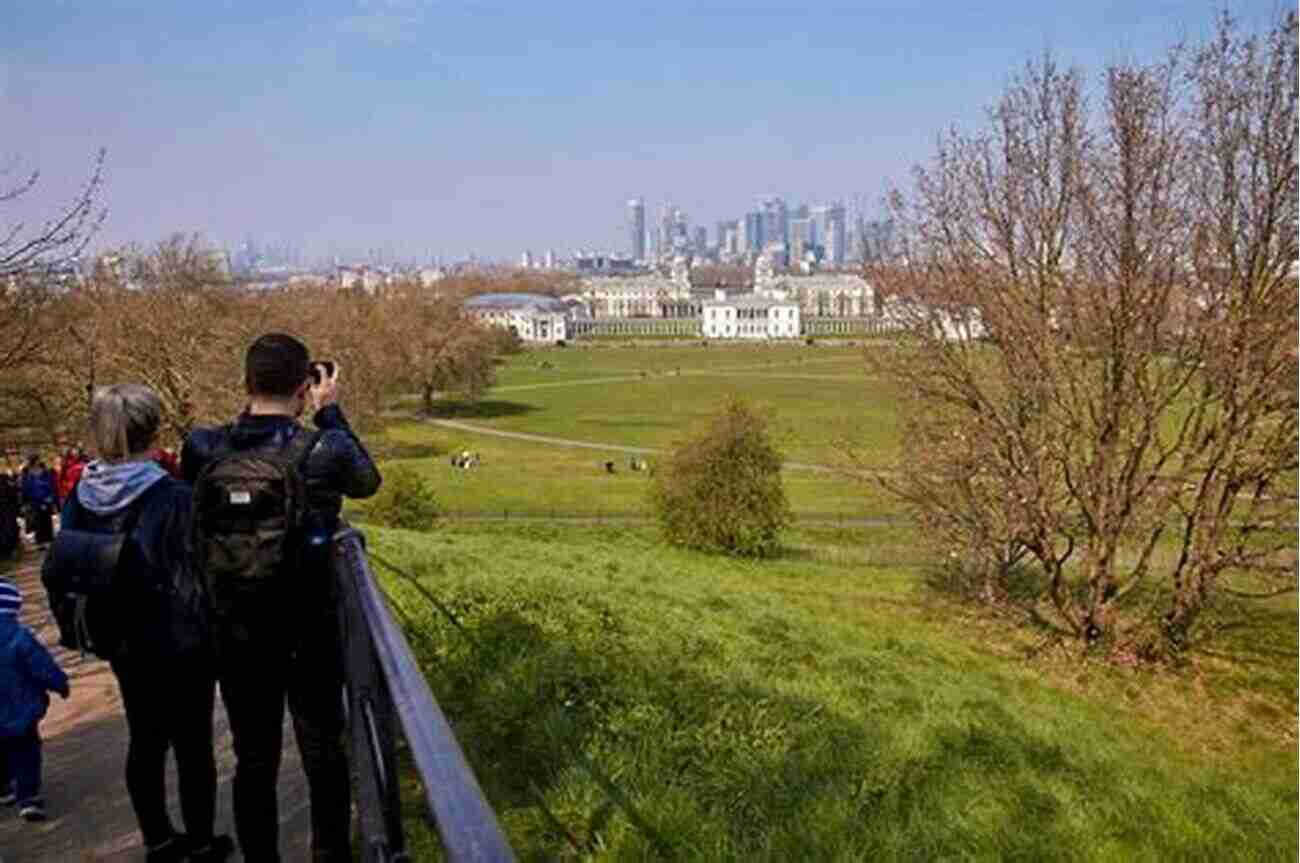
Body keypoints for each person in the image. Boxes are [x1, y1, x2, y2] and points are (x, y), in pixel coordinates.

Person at [183, 334, 381, 863]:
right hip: (308, 624)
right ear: (304, 386)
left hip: (236, 625)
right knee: (322, 753)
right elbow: (367, 482)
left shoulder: (203, 446)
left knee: (253, 758)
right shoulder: (323, 447)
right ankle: (330, 853)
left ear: (246, 383)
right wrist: (331, 410)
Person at [44, 385, 232, 863]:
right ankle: (201, 842)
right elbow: (201, 573)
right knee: (192, 746)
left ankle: (158, 840)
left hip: (120, 637)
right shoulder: (173, 496)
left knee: (145, 739)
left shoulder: (81, 494)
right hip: (179, 643)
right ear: (154, 430)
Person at [0, 576, 70, 822]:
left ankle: (4, 788)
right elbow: (41, 665)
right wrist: (60, 684)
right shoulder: (20, 637)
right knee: (27, 752)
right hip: (22, 709)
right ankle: (28, 797)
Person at [20, 457, 56, 546]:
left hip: (46, 500)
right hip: (35, 502)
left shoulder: (45, 472)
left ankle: (48, 539)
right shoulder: (28, 473)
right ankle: (40, 540)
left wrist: (50, 498)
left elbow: (51, 485)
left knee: (46, 520)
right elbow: (26, 488)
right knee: (38, 521)